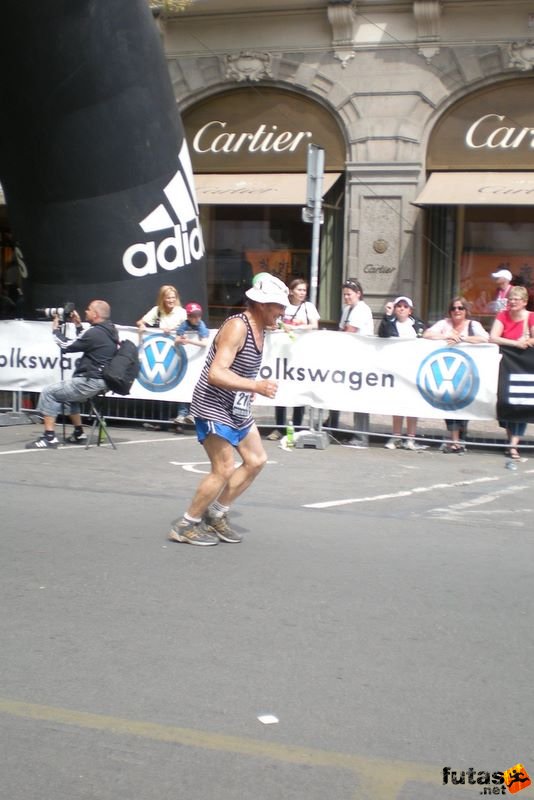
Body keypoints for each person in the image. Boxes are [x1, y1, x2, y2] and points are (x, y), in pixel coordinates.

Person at [168, 273, 289, 546]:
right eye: (278, 306)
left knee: (256, 460)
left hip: (235, 405)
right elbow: (216, 373)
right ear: (261, 304)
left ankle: (216, 513)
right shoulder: (238, 326)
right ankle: (186, 524)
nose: (282, 312)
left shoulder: (261, 330)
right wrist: (255, 385)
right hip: (212, 404)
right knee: (223, 468)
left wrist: (247, 390)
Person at [25, 300, 118, 449]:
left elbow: (67, 346)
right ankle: (79, 432)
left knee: (49, 392)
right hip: (101, 381)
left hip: (90, 381)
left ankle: (49, 438)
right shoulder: (109, 329)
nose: (85, 311)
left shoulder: (95, 332)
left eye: (88, 309)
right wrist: (78, 325)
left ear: (96, 314)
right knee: (70, 398)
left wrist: (55, 330)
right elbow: (86, 341)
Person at [424, 296, 489, 452]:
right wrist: (446, 336)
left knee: (464, 404)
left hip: (468, 372)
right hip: (447, 371)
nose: (457, 311)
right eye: (454, 308)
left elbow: (485, 338)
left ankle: (461, 437)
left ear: (466, 311)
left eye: (460, 308)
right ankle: (455, 439)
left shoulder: (474, 325)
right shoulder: (444, 324)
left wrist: (462, 338)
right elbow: (427, 334)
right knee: (449, 404)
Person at [266, 278, 320, 440]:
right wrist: (280, 326)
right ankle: (279, 427)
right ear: (291, 291)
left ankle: (296, 427)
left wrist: (296, 326)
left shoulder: (308, 307)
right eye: (299, 290)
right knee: (279, 387)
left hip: (300, 354)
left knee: (298, 389)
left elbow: (314, 325)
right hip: (281, 353)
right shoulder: (283, 305)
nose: (302, 293)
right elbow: (272, 322)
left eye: (304, 290)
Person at [326, 278, 373, 447]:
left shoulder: (362, 309)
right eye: (344, 294)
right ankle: (332, 428)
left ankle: (362, 437)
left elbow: (349, 331)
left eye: (349, 294)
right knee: (338, 393)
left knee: (359, 397)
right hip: (346, 358)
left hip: (360, 359)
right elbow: (341, 330)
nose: (346, 297)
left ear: (358, 294)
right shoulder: (347, 309)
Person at [489, 285, 534, 460]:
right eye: (510, 299)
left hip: (523, 365)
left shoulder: (531, 317)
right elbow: (493, 337)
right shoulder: (502, 315)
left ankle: (513, 444)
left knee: (521, 401)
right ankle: (510, 440)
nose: (512, 302)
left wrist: (527, 340)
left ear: (524, 302)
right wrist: (515, 343)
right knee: (505, 401)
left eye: (516, 299)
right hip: (505, 363)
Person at [378, 295, 427, 450]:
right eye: (399, 306)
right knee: (397, 404)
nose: (401, 309)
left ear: (410, 310)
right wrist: (387, 315)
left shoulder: (418, 325)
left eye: (405, 306)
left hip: (413, 369)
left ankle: (411, 438)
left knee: (412, 404)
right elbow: (382, 334)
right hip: (397, 370)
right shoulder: (390, 323)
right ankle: (396, 436)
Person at [173, 301, 210, 425]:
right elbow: (177, 339)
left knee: (196, 388)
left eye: (199, 315)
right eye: (194, 316)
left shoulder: (201, 325)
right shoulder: (184, 324)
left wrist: (188, 341)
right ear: (188, 316)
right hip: (186, 362)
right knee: (184, 386)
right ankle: (181, 413)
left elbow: (205, 343)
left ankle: (193, 413)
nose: (197, 318)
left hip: (198, 363)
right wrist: (181, 340)